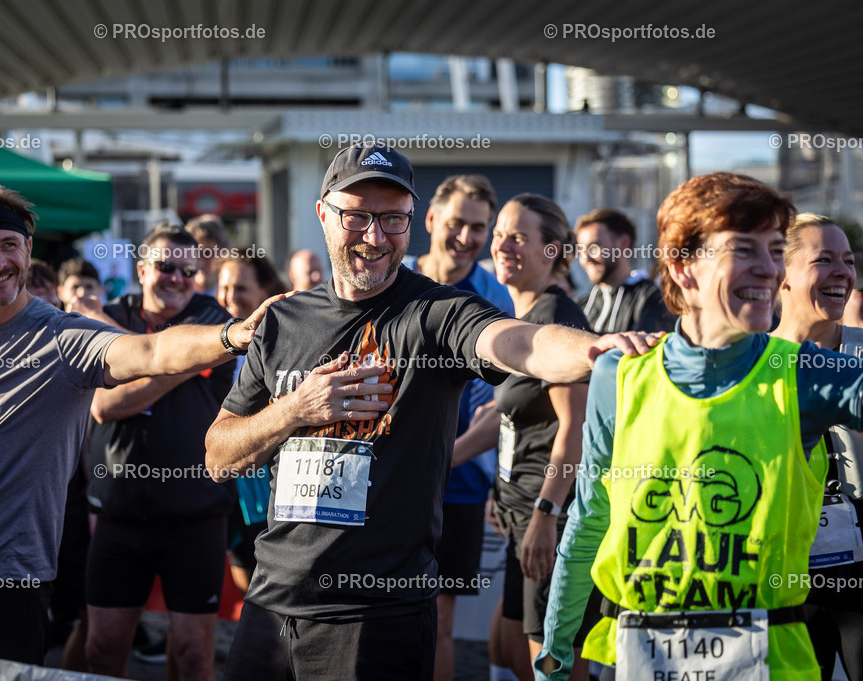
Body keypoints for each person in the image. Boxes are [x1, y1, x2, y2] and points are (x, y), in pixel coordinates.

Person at [204, 142, 654, 680]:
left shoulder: (436, 313)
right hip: (271, 603)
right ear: (323, 214)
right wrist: (295, 410)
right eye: (358, 217)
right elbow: (217, 457)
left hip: (378, 614)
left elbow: (515, 341)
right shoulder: (283, 322)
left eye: (393, 220)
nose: (375, 237)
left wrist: (591, 350)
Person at [0, 182, 274, 664]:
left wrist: (231, 335)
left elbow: (152, 350)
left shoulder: (63, 338)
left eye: (9, 246)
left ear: (28, 250)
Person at [536, 172, 863, 681]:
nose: (768, 269)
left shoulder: (801, 371)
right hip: (640, 658)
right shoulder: (618, 376)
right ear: (683, 266)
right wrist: (554, 650)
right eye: (744, 250)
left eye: (775, 250)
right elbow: (590, 520)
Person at [455, 195, 598, 680]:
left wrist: (546, 513)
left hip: (549, 517)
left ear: (552, 251)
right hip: (518, 512)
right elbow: (507, 413)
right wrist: (448, 461)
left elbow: (575, 429)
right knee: (504, 649)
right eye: (499, 233)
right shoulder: (522, 315)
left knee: (548, 662)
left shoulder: (558, 319)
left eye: (518, 236)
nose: (502, 244)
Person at [84, 224, 236, 681]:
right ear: (142, 269)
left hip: (196, 515)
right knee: (104, 647)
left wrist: (133, 367)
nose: (177, 279)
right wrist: (182, 360)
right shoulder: (114, 313)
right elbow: (104, 405)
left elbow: (120, 394)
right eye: (166, 267)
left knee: (193, 655)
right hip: (119, 515)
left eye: (188, 270)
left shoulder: (213, 318)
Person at [404, 173, 513, 681]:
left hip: (461, 487)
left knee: (436, 621)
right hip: (386, 482)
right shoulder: (393, 280)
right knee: (373, 616)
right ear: (429, 221)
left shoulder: (497, 300)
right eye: (456, 224)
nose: (467, 238)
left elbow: (502, 405)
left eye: (478, 227)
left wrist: (450, 457)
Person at [773, 213, 863, 681]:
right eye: (824, 260)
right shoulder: (750, 365)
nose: (843, 273)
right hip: (785, 573)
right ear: (781, 275)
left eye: (848, 261)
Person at [216, 254, 288, 594]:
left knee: (269, 581)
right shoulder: (210, 339)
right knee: (244, 578)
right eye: (224, 287)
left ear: (265, 290)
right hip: (223, 478)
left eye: (241, 288)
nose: (230, 297)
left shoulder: (285, 338)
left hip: (266, 482)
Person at [575, 208, 674, 334]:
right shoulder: (581, 305)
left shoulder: (652, 299)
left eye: (594, 247)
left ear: (623, 243)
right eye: (581, 251)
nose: (586, 259)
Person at [186, 214, 233, 296]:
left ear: (224, 253)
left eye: (208, 254)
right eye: (195, 254)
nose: (201, 263)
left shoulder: (233, 299)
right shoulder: (175, 299)